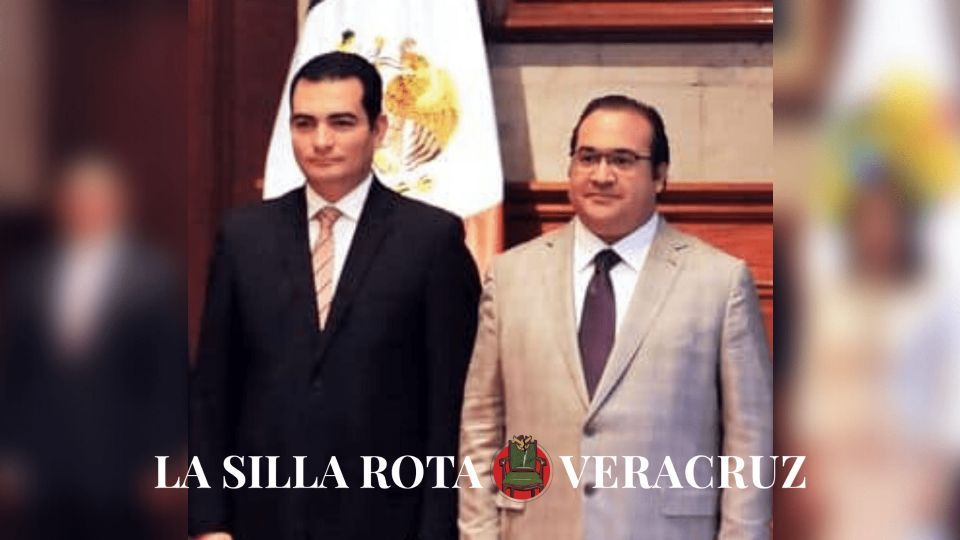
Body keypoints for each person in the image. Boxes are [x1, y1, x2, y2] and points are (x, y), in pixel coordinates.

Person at [189, 52, 480, 540]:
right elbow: (213, 390)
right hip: (262, 518)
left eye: (341, 122)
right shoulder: (243, 236)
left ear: (378, 129)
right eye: (304, 123)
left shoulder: (431, 240)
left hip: (386, 521)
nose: (321, 141)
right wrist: (208, 521)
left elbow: (450, 405)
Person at [459, 95, 772, 539]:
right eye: (588, 158)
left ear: (660, 175)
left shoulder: (719, 283)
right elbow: (481, 425)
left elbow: (751, 441)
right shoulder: (511, 276)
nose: (601, 175)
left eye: (623, 160)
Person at [0, 151, 187, 540]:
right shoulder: (33, 275)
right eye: (76, 200)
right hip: (46, 464)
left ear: (117, 206)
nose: (85, 209)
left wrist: (164, 459)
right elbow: (17, 372)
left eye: (95, 200)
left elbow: (167, 377)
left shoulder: (152, 278)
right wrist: (10, 454)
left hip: (122, 464)